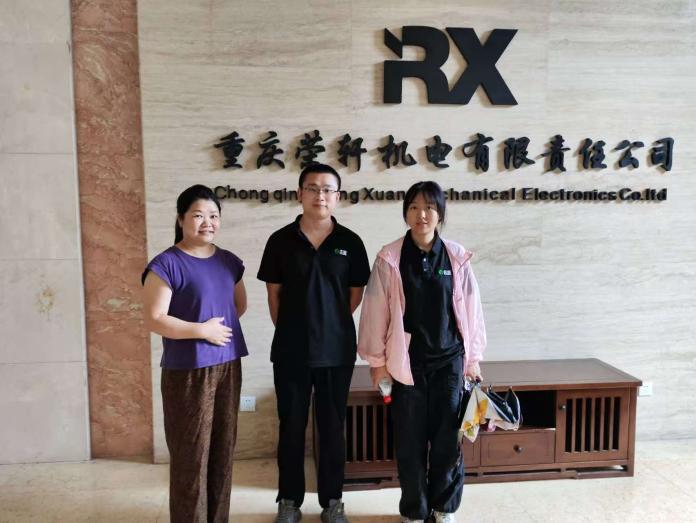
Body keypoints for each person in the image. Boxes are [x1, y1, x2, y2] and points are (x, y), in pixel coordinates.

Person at [357, 181, 487, 523]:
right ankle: (414, 510)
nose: (422, 215)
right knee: (410, 442)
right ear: (406, 213)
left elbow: (472, 310)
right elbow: (374, 312)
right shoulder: (390, 257)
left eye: (429, 207)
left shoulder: (456, 256)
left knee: (447, 441)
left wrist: (473, 360)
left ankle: (443, 507)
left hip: (449, 363)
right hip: (406, 364)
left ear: (440, 213)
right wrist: (377, 363)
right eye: (414, 207)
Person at [258, 163, 370, 523]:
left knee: (332, 428)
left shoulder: (350, 243)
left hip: (336, 352)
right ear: (299, 194)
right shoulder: (280, 241)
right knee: (290, 427)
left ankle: (332, 501)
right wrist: (297, 328)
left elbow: (354, 296)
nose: (319, 195)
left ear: (337, 197)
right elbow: (274, 296)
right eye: (312, 188)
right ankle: (289, 501)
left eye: (327, 189)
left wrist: (328, 325)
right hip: (290, 350)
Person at [142, 184, 248, 523]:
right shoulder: (166, 264)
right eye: (198, 215)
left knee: (222, 452)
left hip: (228, 365)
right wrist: (202, 331)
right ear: (181, 219)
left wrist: (218, 330)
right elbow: (154, 318)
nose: (208, 223)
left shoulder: (229, 261)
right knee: (190, 456)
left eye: (214, 216)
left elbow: (238, 305)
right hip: (187, 371)